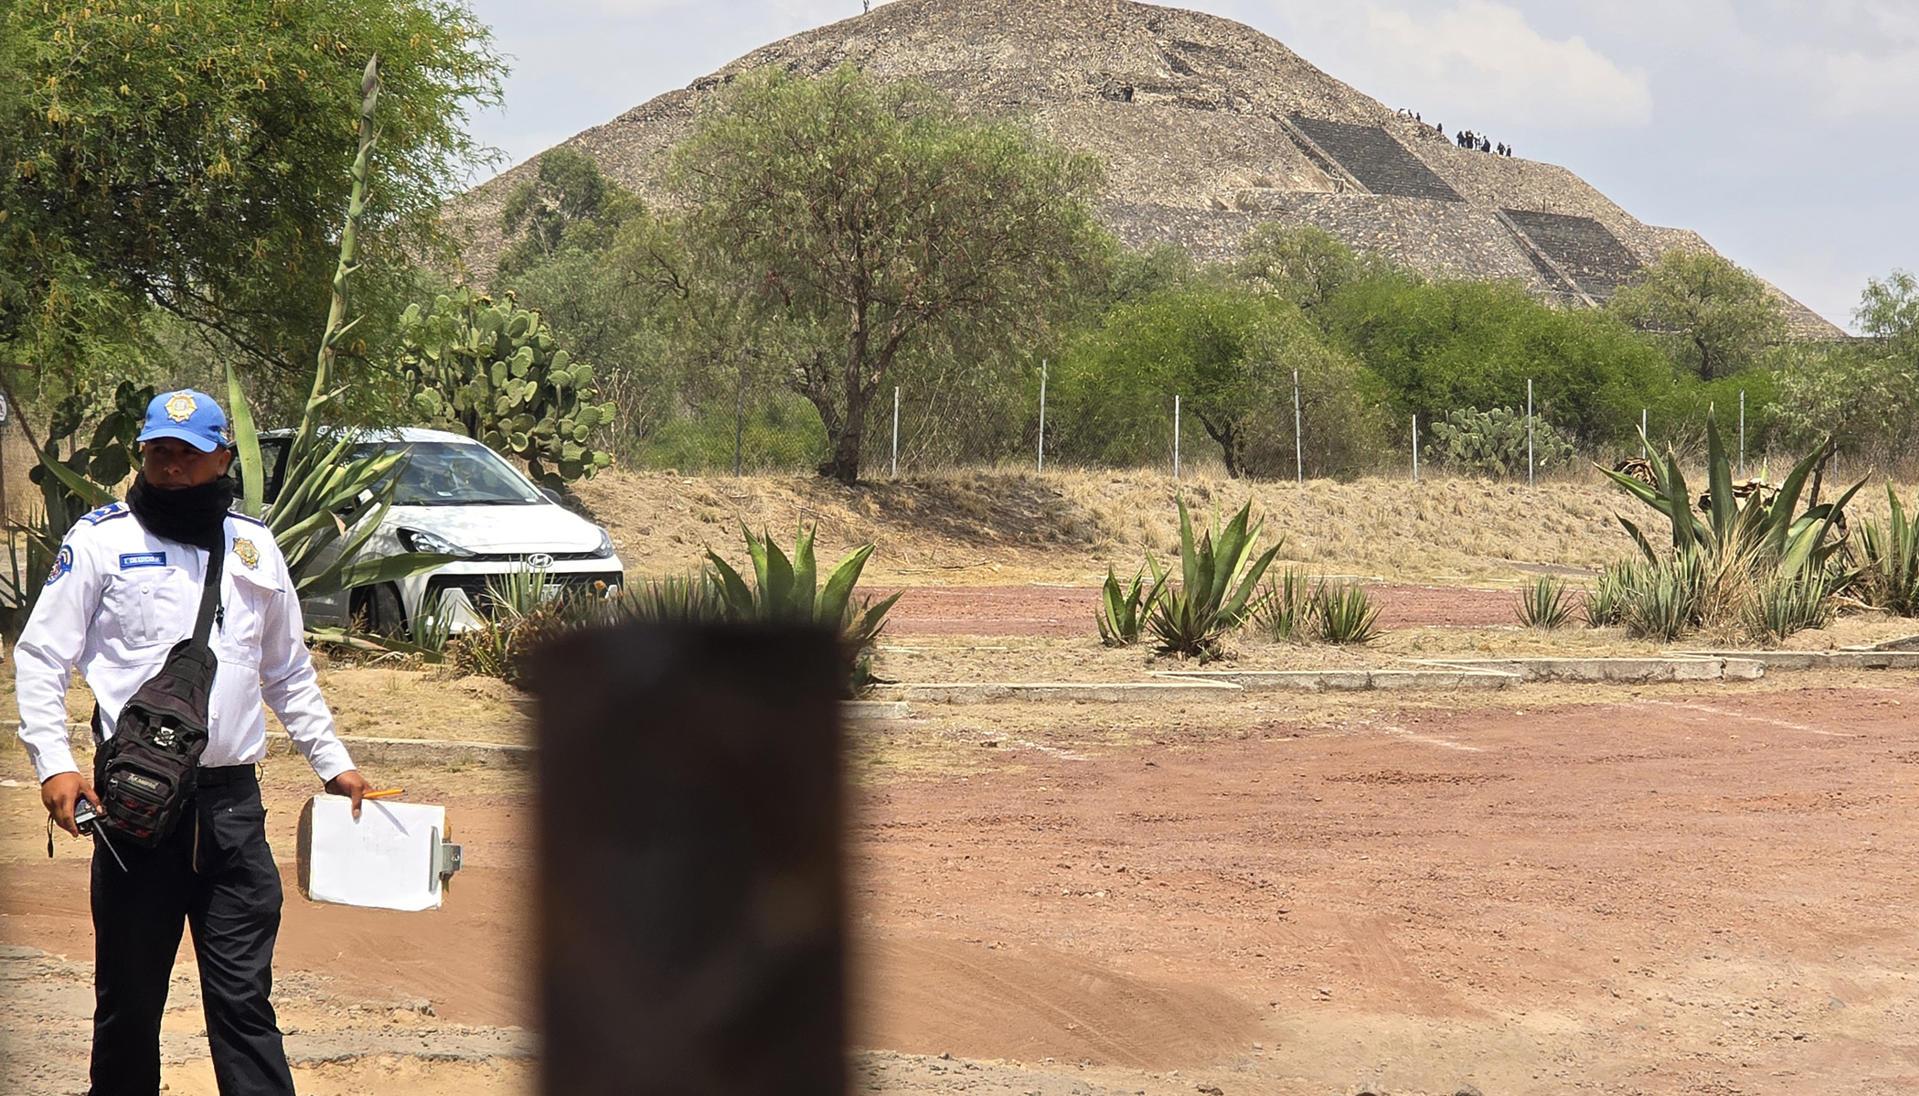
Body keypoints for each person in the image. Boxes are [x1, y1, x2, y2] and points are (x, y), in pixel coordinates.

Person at [16, 388, 373, 1096]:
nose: (170, 465)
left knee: (244, 1003)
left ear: (222, 458)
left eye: (187, 453)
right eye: (157, 451)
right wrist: (54, 765)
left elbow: (288, 672)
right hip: (136, 813)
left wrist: (335, 765)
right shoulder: (100, 541)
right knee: (129, 1007)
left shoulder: (256, 549)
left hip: (232, 812)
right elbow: (40, 658)